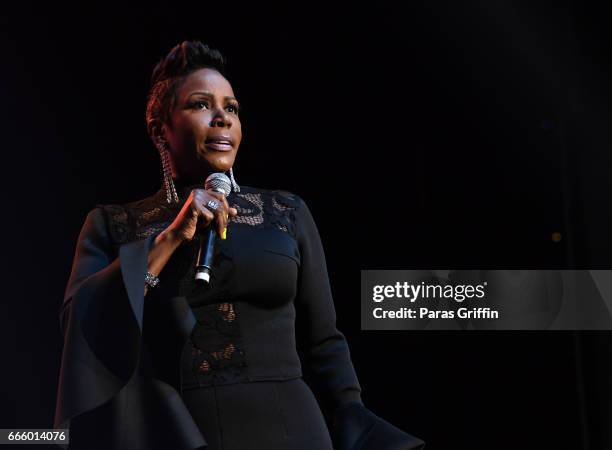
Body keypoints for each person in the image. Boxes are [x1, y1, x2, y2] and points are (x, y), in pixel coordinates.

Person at [54, 40, 425, 450]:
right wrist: (172, 236)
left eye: (230, 108)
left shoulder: (286, 211)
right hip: (182, 432)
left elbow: (324, 341)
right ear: (161, 128)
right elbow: (84, 325)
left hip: (294, 428)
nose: (221, 119)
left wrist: (353, 415)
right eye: (200, 105)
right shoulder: (116, 224)